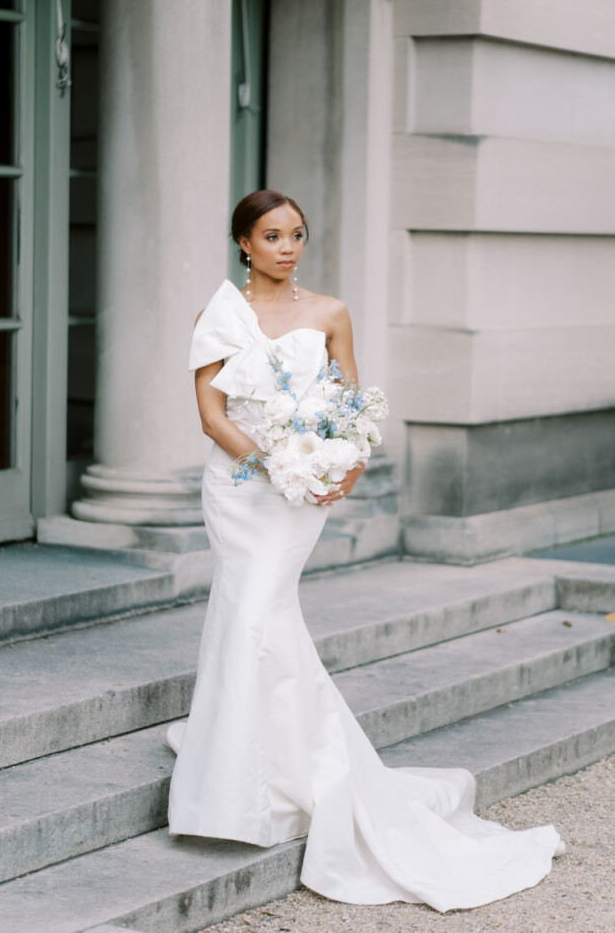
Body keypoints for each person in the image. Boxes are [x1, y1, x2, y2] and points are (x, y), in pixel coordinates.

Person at [166, 190, 564, 910]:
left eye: (296, 235)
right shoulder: (218, 317)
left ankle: (265, 775)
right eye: (271, 236)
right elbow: (209, 413)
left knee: (260, 616)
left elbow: (349, 402)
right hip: (242, 488)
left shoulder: (329, 314)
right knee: (250, 617)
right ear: (242, 245)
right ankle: (243, 782)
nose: (287, 248)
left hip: (300, 496)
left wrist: (339, 466)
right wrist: (271, 467)